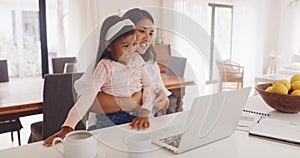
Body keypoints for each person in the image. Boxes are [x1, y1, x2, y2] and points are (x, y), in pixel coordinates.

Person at [43, 15, 158, 147]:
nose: (131, 50)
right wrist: (68, 126)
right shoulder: (105, 66)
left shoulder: (137, 60)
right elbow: (87, 96)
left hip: (136, 115)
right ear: (109, 46)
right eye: (126, 46)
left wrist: (145, 111)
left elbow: (149, 86)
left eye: (134, 44)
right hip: (110, 119)